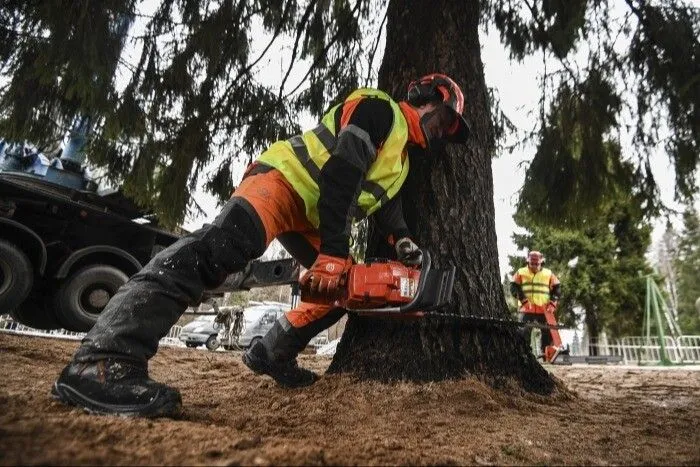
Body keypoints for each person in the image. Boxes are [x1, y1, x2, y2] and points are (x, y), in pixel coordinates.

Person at [51, 73, 470, 418]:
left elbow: (386, 207)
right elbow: (343, 171)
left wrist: (403, 241)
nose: (446, 132)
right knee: (223, 249)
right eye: (447, 120)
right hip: (283, 181)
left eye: (452, 130)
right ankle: (102, 360)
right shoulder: (381, 109)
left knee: (342, 292)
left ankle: (271, 353)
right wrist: (333, 252)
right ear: (426, 97)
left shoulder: (402, 162)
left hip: (313, 214)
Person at [510, 250, 562, 354]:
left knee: (548, 333)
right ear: (528, 261)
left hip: (544, 310)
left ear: (541, 262)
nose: (534, 266)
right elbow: (513, 287)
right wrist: (523, 299)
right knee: (523, 332)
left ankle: (547, 354)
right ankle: (523, 354)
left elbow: (557, 289)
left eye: (536, 264)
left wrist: (552, 303)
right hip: (526, 309)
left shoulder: (548, 273)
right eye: (532, 263)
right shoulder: (521, 272)